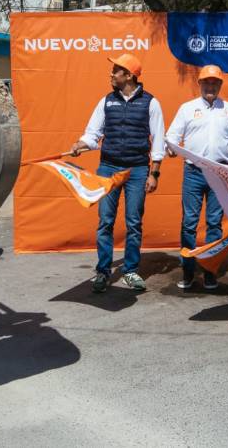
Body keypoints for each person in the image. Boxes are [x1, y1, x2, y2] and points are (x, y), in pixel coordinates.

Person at [69, 53, 165, 293]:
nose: (111, 74)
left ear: (129, 75)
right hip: (108, 168)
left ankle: (130, 271)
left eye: (116, 71)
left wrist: (154, 173)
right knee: (105, 222)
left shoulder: (151, 103)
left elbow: (159, 141)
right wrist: (80, 145)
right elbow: (93, 134)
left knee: (134, 222)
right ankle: (102, 272)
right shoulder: (106, 102)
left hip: (137, 170)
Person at [165, 65, 228, 290]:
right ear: (200, 84)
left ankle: (210, 271)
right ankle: (187, 271)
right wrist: (171, 148)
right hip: (194, 173)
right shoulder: (187, 109)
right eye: (206, 82)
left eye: (215, 82)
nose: (210, 86)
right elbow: (171, 137)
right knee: (189, 223)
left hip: (220, 173)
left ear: (220, 85)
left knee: (214, 224)